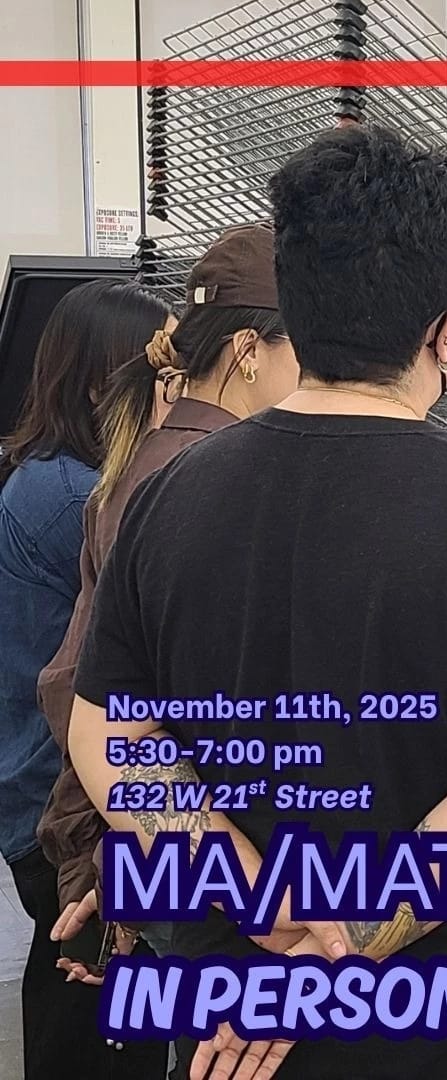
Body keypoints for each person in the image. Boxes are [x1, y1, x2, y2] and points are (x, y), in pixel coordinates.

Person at [69, 122, 447, 1078]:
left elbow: (111, 734)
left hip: (227, 998)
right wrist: (333, 949)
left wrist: (256, 901)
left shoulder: (169, 492)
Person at [36, 225, 299, 987]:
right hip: (207, 849)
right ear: (249, 351)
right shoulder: (213, 483)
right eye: (306, 350)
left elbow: (76, 682)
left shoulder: (148, 461)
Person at [0, 277, 171, 1079]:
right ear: (108, 378)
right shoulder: (78, 498)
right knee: (97, 1004)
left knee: (69, 984)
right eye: (161, 368)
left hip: (36, 782)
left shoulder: (46, 475)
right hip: (59, 794)